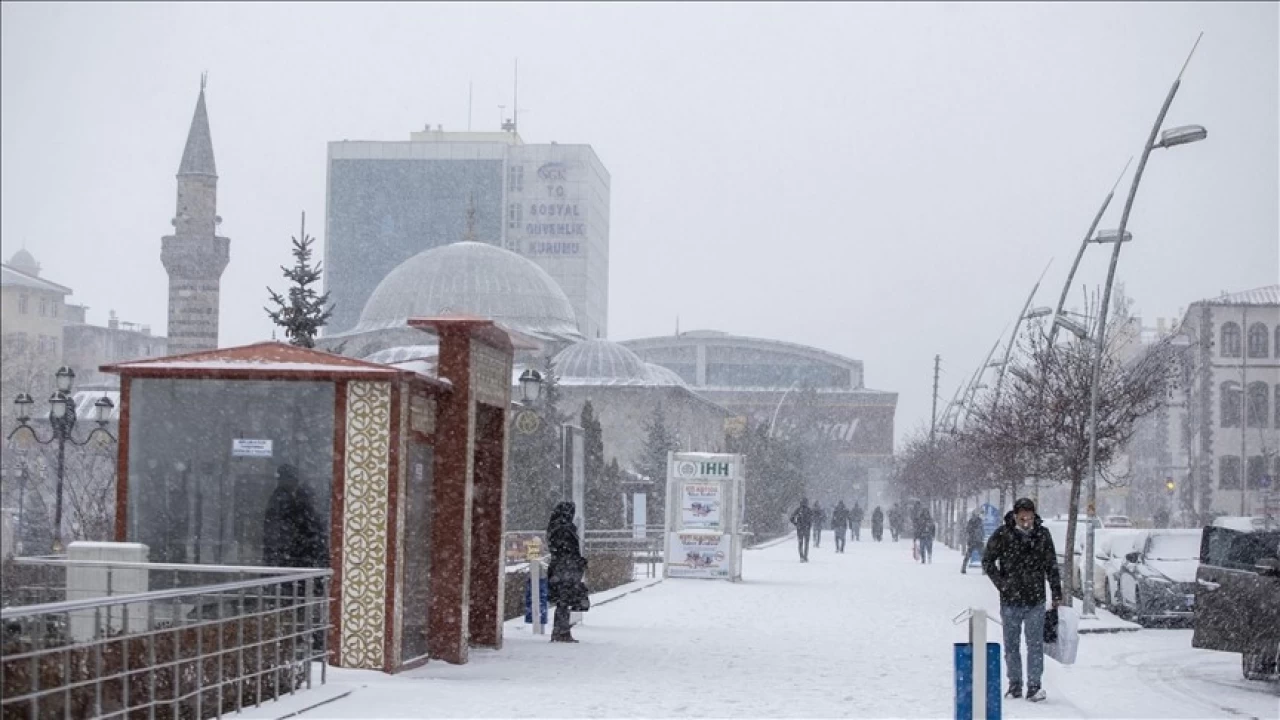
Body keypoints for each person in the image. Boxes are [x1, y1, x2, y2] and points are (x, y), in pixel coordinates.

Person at [982, 497, 1064, 703]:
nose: (1026, 522)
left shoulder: (1042, 535)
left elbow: (1051, 565)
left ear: (1034, 515)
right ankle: (1015, 685)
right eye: (1022, 518)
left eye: (1029, 517)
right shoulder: (1003, 534)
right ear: (1016, 515)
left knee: (1035, 644)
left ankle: (1034, 686)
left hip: (1035, 599)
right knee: (1011, 644)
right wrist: (1002, 583)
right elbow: (987, 560)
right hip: (1010, 599)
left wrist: (1056, 592)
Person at [263, 464, 327, 569]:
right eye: (294, 479)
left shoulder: (283, 498)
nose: (295, 482)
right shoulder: (284, 499)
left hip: (286, 553)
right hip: (287, 553)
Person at [547, 501, 588, 643]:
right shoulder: (564, 529)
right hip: (565, 569)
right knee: (564, 600)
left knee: (563, 601)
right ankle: (561, 632)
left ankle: (561, 631)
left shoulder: (554, 527)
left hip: (560, 568)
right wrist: (577, 561)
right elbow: (568, 550)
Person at [962, 509, 986, 574]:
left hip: (973, 540)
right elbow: (982, 531)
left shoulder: (971, 521)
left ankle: (963, 568)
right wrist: (981, 536)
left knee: (968, 555)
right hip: (978, 541)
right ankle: (984, 570)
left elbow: (967, 530)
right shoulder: (979, 521)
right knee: (982, 556)